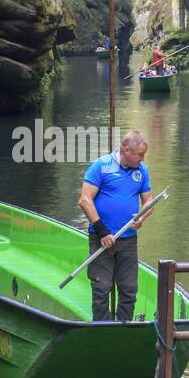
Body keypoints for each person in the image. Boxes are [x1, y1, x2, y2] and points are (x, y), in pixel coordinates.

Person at [78, 131, 155, 322]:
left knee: (129, 289)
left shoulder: (142, 170)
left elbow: (149, 201)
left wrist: (142, 217)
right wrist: (102, 231)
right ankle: (102, 328)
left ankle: (124, 326)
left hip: (128, 240)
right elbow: (85, 200)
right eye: (140, 154)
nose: (143, 158)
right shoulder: (100, 166)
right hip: (102, 240)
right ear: (125, 150)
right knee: (102, 288)